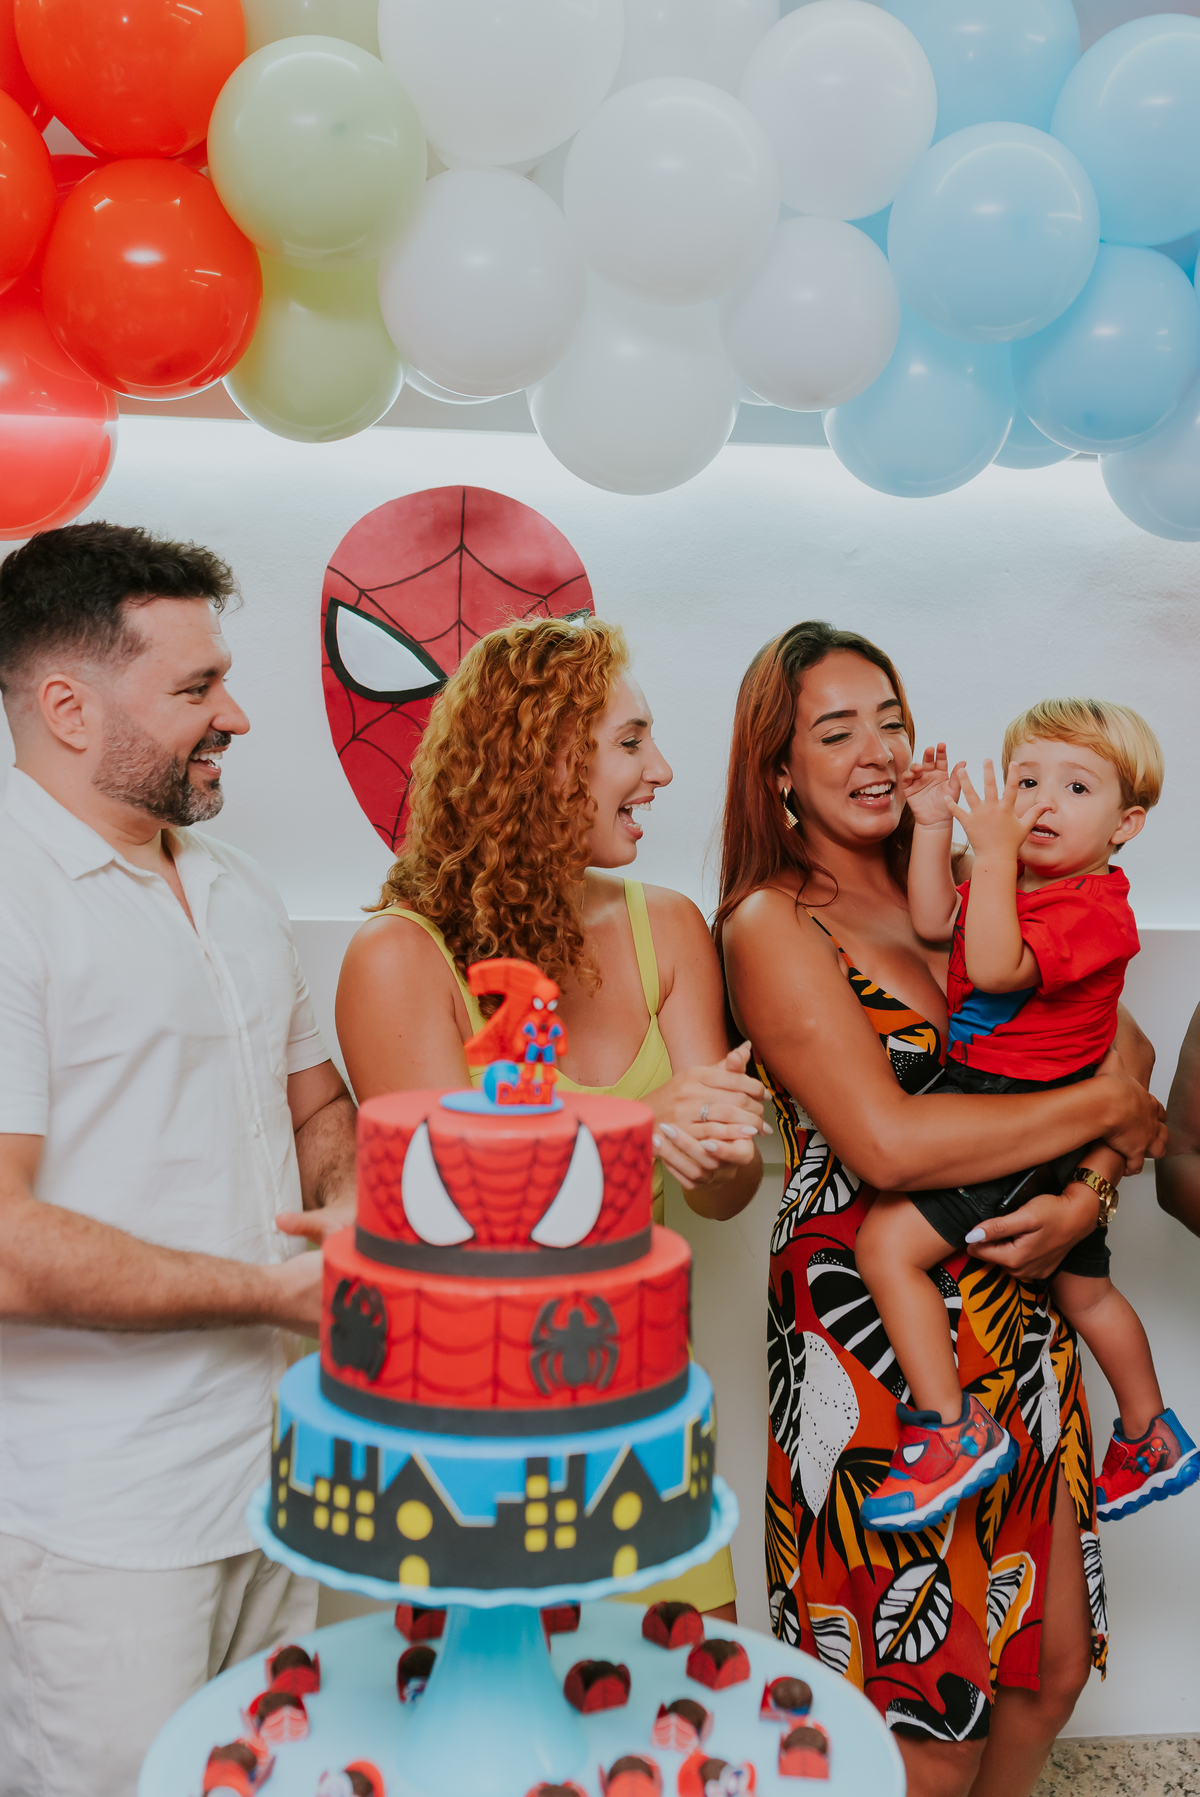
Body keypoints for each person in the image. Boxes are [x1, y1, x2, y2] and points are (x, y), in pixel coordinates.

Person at [714, 622, 1165, 1797]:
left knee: (1047, 1670)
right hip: (878, 1360)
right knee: (928, 1718)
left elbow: (1120, 1041)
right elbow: (886, 1141)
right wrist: (1105, 1110)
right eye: (835, 730)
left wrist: (1090, 1196)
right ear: (778, 770)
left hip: (1021, 1323)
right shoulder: (774, 923)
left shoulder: (973, 886)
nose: (875, 750)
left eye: (891, 721)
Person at [0, 523, 357, 1797]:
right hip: (103, 1526)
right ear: (67, 708)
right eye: (197, 689)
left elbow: (318, 1106)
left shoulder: (238, 888)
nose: (239, 716)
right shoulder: (13, 902)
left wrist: (351, 1211)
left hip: (270, 1485)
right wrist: (273, 1291)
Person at [335, 615, 768, 1618]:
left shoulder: (668, 929)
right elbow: (439, 1218)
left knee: (686, 1727)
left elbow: (724, 1191)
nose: (660, 769)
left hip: (646, 1410)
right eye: (629, 741)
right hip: (477, 1439)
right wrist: (638, 1124)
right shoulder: (400, 957)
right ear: (538, 756)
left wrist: (716, 1141)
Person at [855, 702, 1195, 1531]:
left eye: (1076, 786)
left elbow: (996, 965)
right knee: (1087, 1290)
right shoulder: (1025, 885)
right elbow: (938, 921)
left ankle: (949, 1428)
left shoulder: (1093, 909)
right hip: (1050, 1116)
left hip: (1010, 1109)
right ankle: (1152, 1431)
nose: (1042, 802)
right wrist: (934, 825)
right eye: (1026, 780)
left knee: (885, 1246)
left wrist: (996, 857)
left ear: (1128, 823)